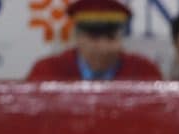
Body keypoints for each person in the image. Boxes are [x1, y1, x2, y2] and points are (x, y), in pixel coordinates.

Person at [26, 0, 161, 81]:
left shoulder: (144, 72)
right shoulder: (47, 72)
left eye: (111, 38)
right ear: (77, 38)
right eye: (94, 38)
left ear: (122, 39)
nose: (103, 47)